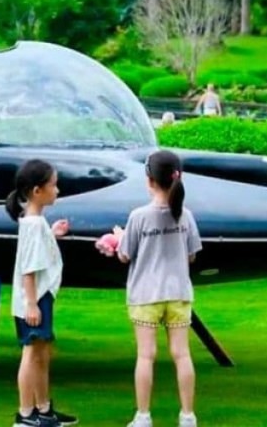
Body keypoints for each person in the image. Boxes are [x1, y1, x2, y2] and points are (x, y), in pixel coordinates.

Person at [96, 150, 201, 427]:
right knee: (182, 354)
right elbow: (191, 255)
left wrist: (119, 238)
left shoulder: (139, 216)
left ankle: (143, 416)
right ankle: (188, 415)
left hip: (145, 295)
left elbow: (124, 256)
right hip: (179, 293)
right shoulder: (186, 216)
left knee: (146, 356)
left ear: (150, 180)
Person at [5, 159, 77, 427]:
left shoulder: (35, 222)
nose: (57, 190)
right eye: (53, 185)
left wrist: (52, 234)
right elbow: (29, 268)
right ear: (37, 191)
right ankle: (25, 414)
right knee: (32, 352)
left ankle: (43, 409)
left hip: (40, 295)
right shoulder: (34, 224)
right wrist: (32, 304)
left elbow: (36, 250)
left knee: (42, 353)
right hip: (34, 298)